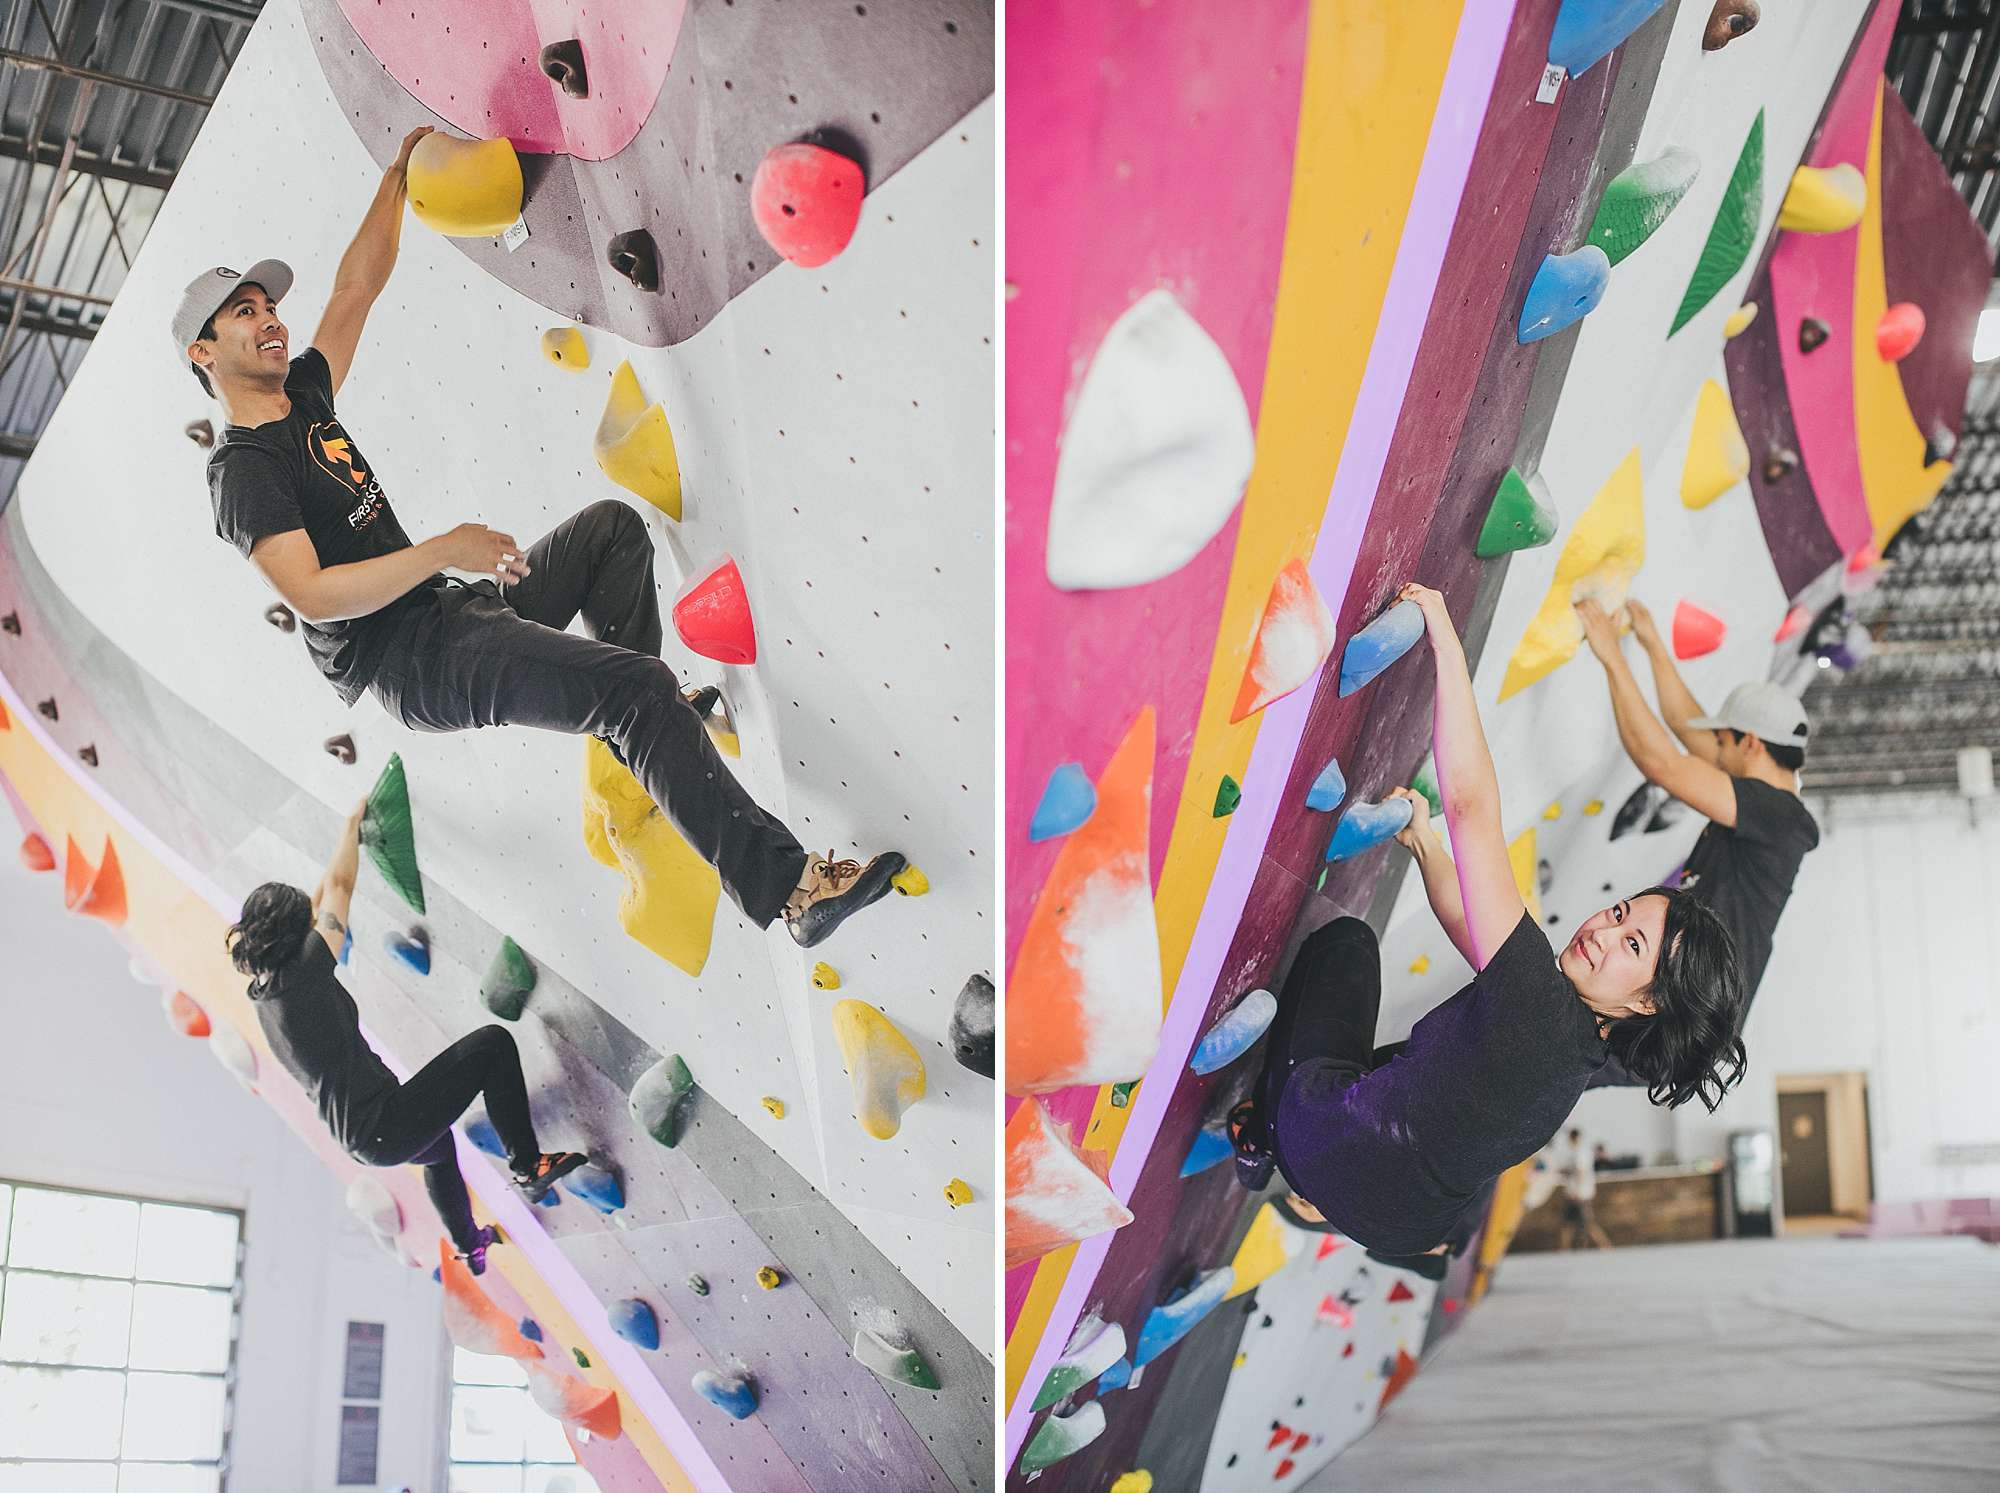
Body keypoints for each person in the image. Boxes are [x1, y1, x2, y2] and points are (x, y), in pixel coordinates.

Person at [178, 126, 904, 950]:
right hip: (416, 662)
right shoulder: (240, 470)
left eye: (268, 306)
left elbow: (353, 292)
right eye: (245, 314)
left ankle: (648, 726)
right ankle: (790, 888)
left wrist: (396, 174)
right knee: (632, 693)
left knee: (613, 534)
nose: (269, 321)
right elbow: (308, 592)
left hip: (454, 614)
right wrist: (444, 550)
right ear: (205, 353)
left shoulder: (304, 397)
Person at [1231, 583, 1745, 1268]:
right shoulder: (1581, 1049)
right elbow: (1475, 929)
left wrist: (1444, 632)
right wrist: (1425, 844)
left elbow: (1473, 806)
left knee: (1347, 945)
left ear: (1646, 1002)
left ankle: (1264, 1128)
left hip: (1328, 1158)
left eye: (1631, 945)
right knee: (1421, 1071)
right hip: (1401, 1223)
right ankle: (1430, 1244)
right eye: (1621, 913)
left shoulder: (1538, 1003)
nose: (1600, 929)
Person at [228, 801, 587, 1273]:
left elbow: (320, 904)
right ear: (295, 939)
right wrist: (351, 827)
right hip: (384, 1122)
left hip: (361, 1135)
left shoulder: (264, 989)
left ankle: (469, 1245)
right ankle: (527, 1167)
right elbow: (338, 889)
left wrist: (343, 852)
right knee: (492, 1046)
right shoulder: (307, 971)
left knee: (440, 1152)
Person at [1575, 598, 1820, 1082]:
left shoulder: (1779, 817)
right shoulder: (1763, 799)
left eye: (1724, 742)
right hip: (1669, 1017)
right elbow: (1689, 728)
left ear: (1750, 743)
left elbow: (1663, 764)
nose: (1713, 752)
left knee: (1532, 1064)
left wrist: (1612, 656)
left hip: (1671, 1026)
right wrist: (1651, 645)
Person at [1554, 1125, 1611, 1250]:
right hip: (1574, 1193)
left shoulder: (1581, 1153)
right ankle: (1564, 1248)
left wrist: (1577, 1191)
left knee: (1586, 1223)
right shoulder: (1574, 1152)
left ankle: (1605, 1245)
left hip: (1580, 1193)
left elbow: (1582, 1173)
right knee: (1567, 1223)